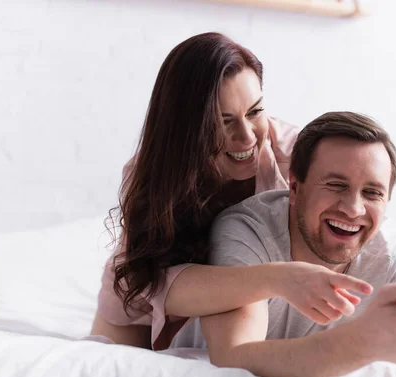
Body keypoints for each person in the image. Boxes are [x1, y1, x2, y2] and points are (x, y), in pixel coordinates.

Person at [170, 111, 396, 377]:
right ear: (296, 188)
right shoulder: (247, 231)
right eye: (336, 185)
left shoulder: (390, 251)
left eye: (372, 193)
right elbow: (235, 359)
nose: (353, 209)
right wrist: (365, 342)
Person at [90, 33, 372, 350]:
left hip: (251, 301)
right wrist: (279, 278)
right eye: (223, 122)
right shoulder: (153, 174)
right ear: (187, 128)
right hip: (141, 298)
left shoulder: (297, 158)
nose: (247, 136)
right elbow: (156, 285)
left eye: (255, 111)